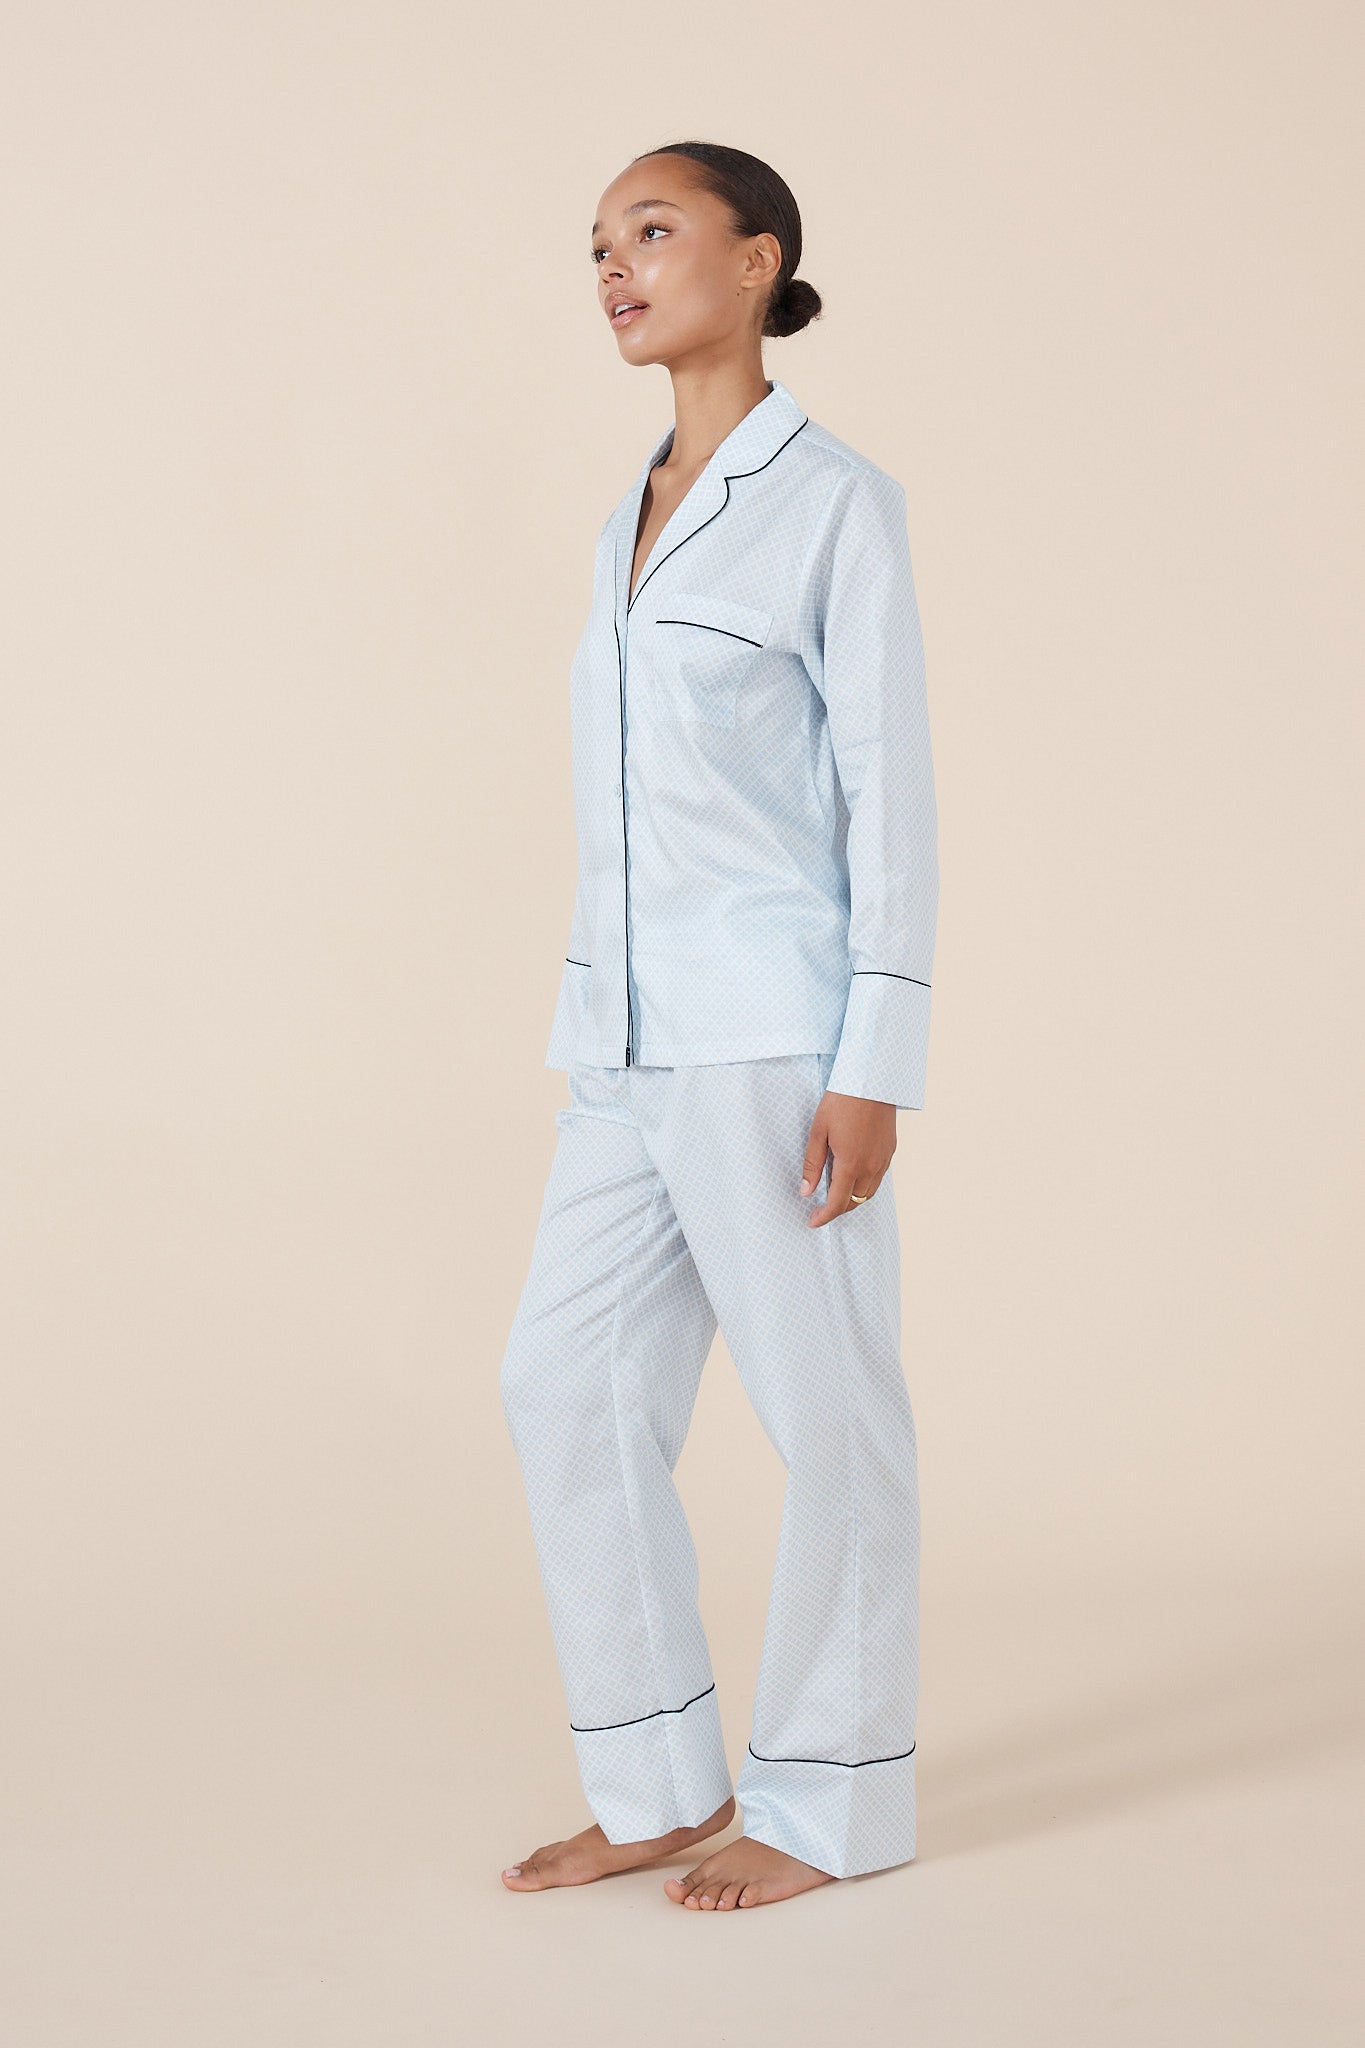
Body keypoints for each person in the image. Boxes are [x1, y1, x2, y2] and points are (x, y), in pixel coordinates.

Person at [498, 140, 939, 1910]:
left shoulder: (833, 500)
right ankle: (659, 1780)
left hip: (770, 1034)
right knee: (562, 1385)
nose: (614, 267)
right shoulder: (629, 505)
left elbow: (888, 794)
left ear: (757, 262)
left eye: (653, 231)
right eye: (599, 246)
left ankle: (829, 1805)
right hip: (618, 1034)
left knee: (830, 1420)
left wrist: (872, 1063)